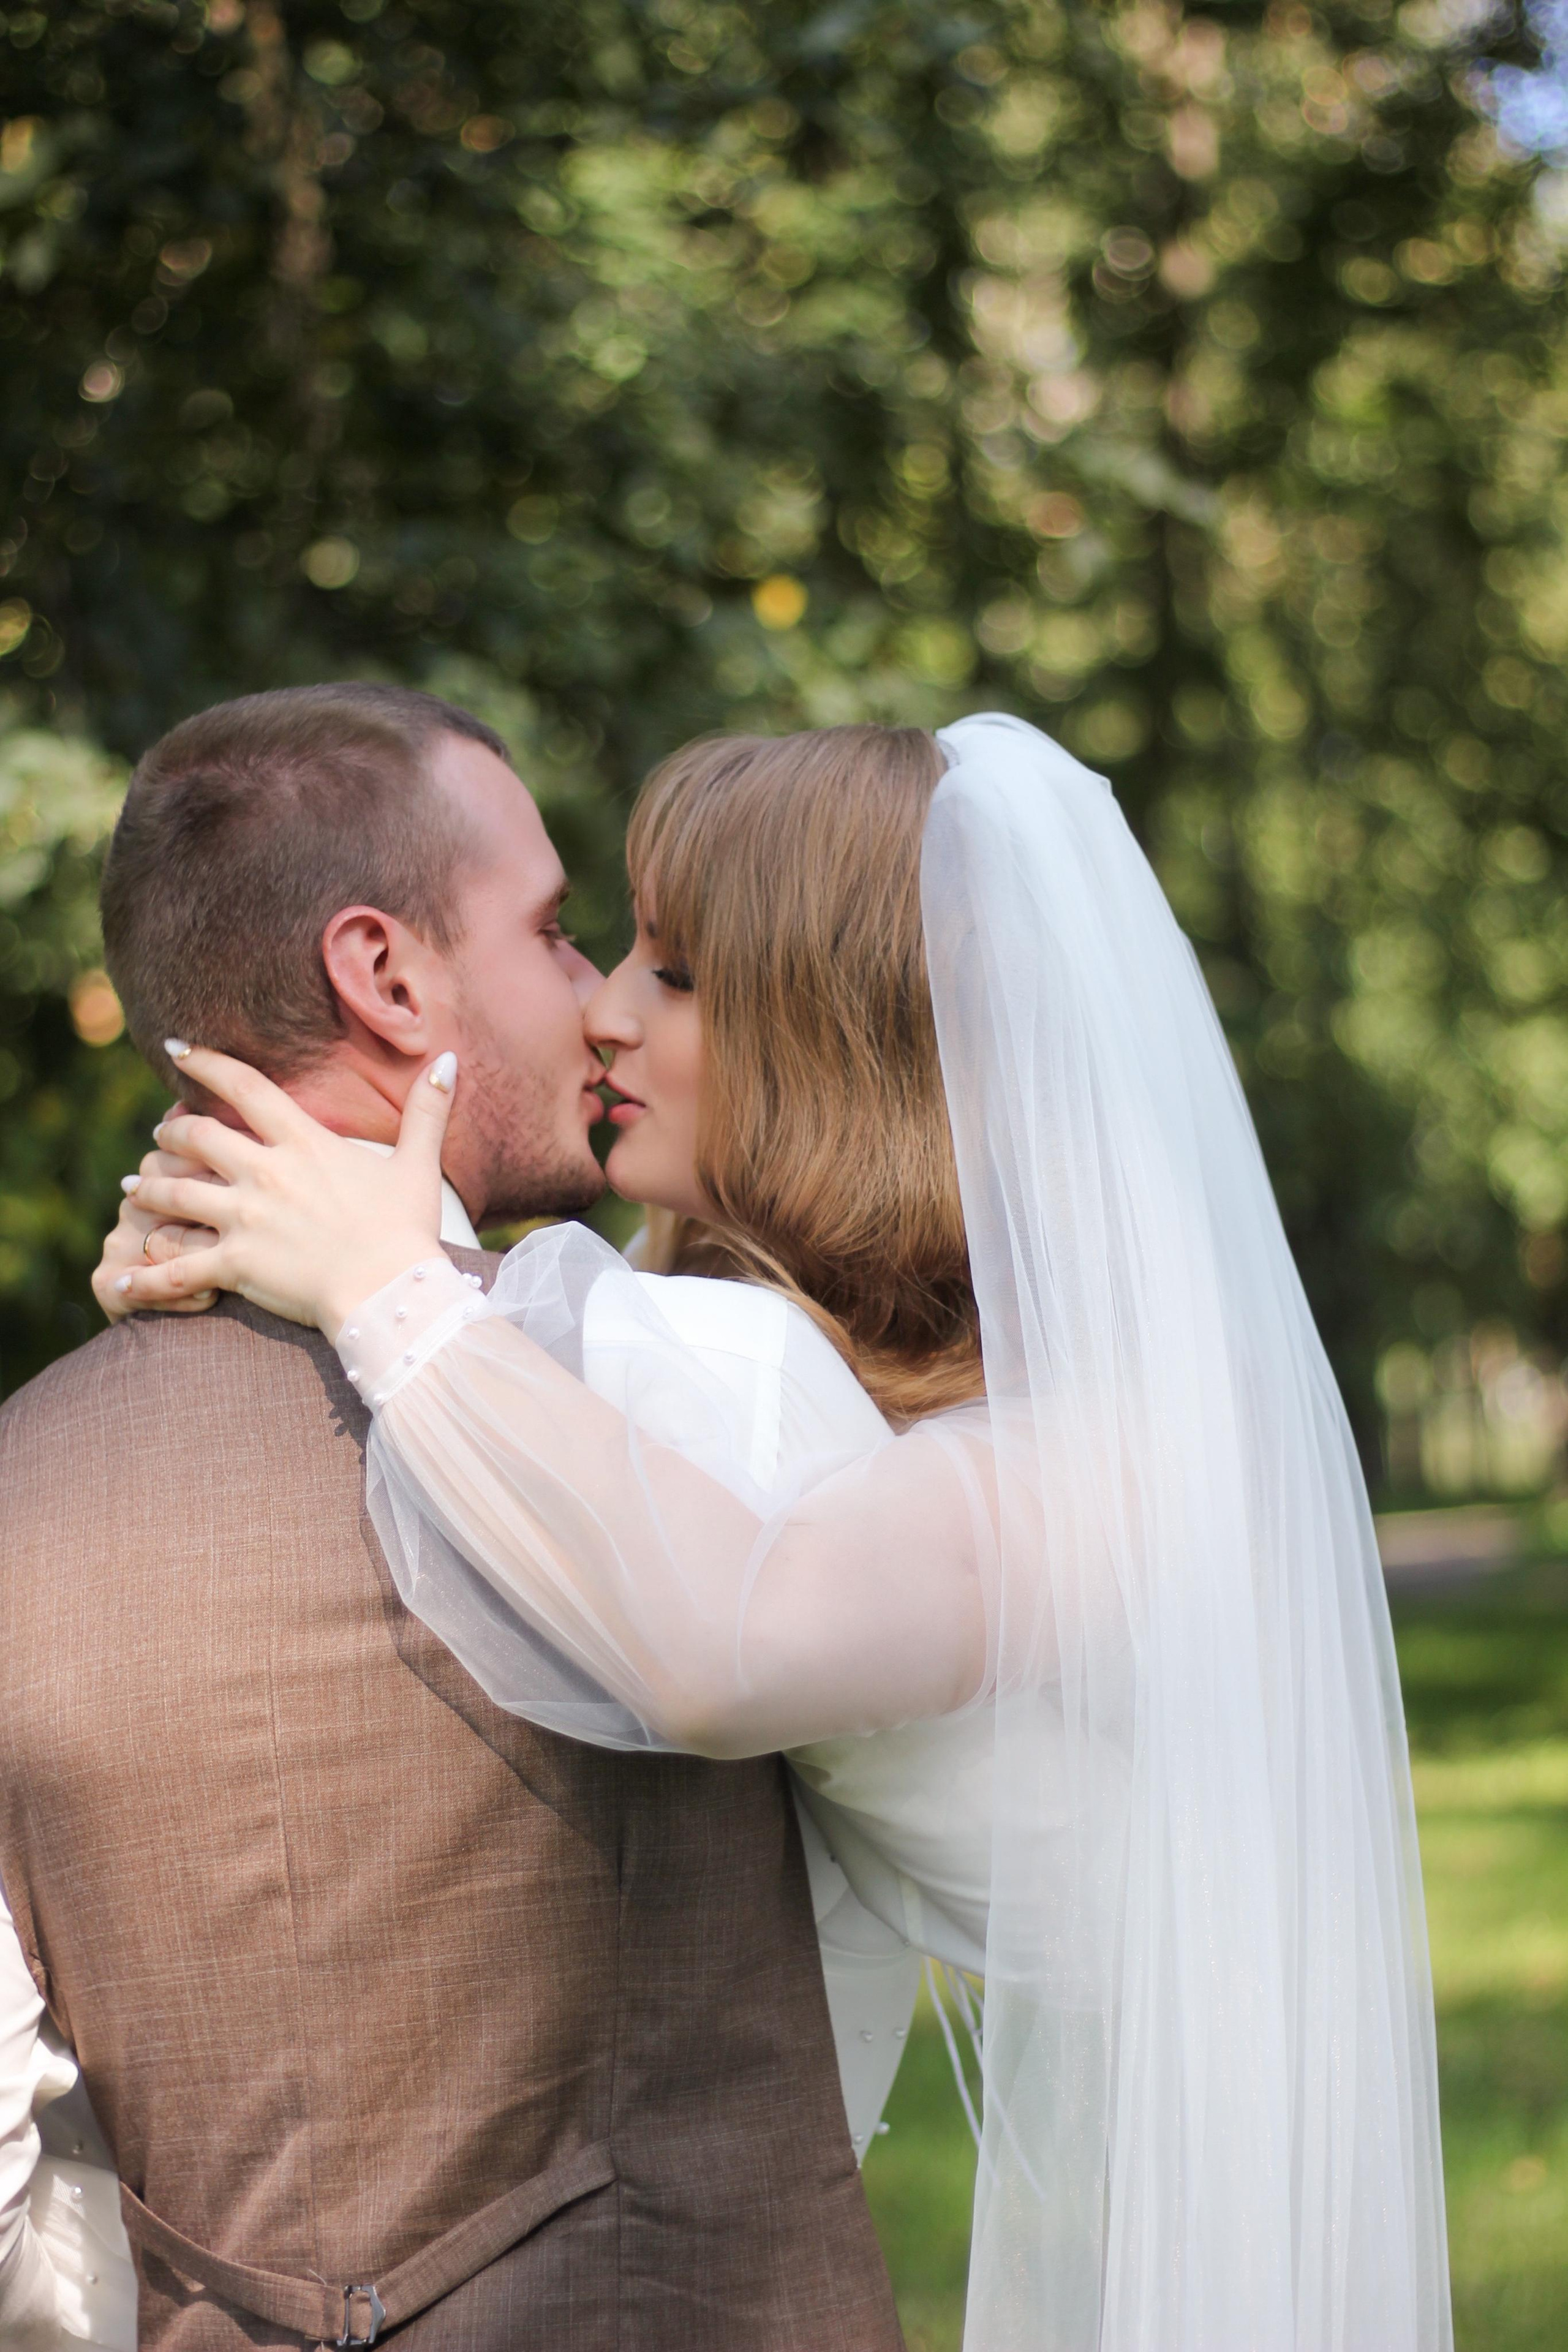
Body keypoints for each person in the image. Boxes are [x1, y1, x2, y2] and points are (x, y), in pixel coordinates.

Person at [107, 711, 1455, 2351]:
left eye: (675, 973)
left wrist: (379, 1281)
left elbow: (726, 1642)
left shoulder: (1117, 1456)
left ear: (842, 1041)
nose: (605, 1008)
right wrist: (225, 1251)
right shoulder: (787, 1357)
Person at [0, 685, 908, 2352]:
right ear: (387, 975)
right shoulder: (703, 1380)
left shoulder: (20, 1493)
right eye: (553, 932)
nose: (598, 996)